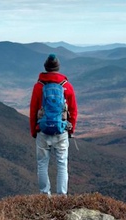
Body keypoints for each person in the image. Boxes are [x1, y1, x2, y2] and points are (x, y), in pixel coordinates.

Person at [29, 53, 78, 196]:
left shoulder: (38, 86)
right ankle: (62, 197)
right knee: (62, 164)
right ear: (58, 68)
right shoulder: (67, 86)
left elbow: (33, 110)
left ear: (45, 67)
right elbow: (74, 110)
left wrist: (34, 130)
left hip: (42, 131)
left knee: (42, 164)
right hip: (61, 130)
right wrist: (71, 130)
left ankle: (45, 195)